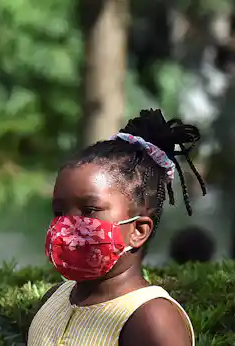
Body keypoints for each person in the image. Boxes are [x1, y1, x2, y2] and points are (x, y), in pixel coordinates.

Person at [28, 109, 206, 346]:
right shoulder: (55, 298)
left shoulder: (151, 320)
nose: (67, 225)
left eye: (90, 210)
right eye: (59, 212)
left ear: (138, 230)